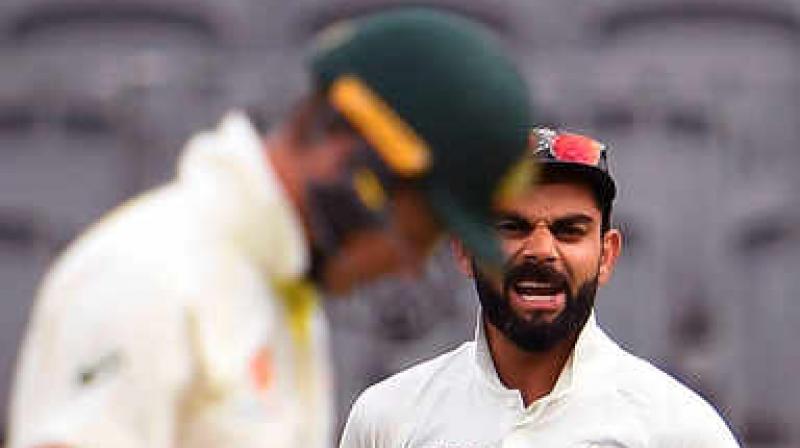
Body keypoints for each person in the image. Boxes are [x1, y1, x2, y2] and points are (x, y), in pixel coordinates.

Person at [6, 8, 534, 448]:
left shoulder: (276, 299)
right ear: (359, 174)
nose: (410, 265)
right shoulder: (145, 277)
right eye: (420, 234)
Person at [339, 127, 741, 447]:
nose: (541, 251)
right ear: (464, 249)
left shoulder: (679, 430)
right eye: (512, 228)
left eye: (569, 231)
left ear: (607, 255)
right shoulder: (388, 419)